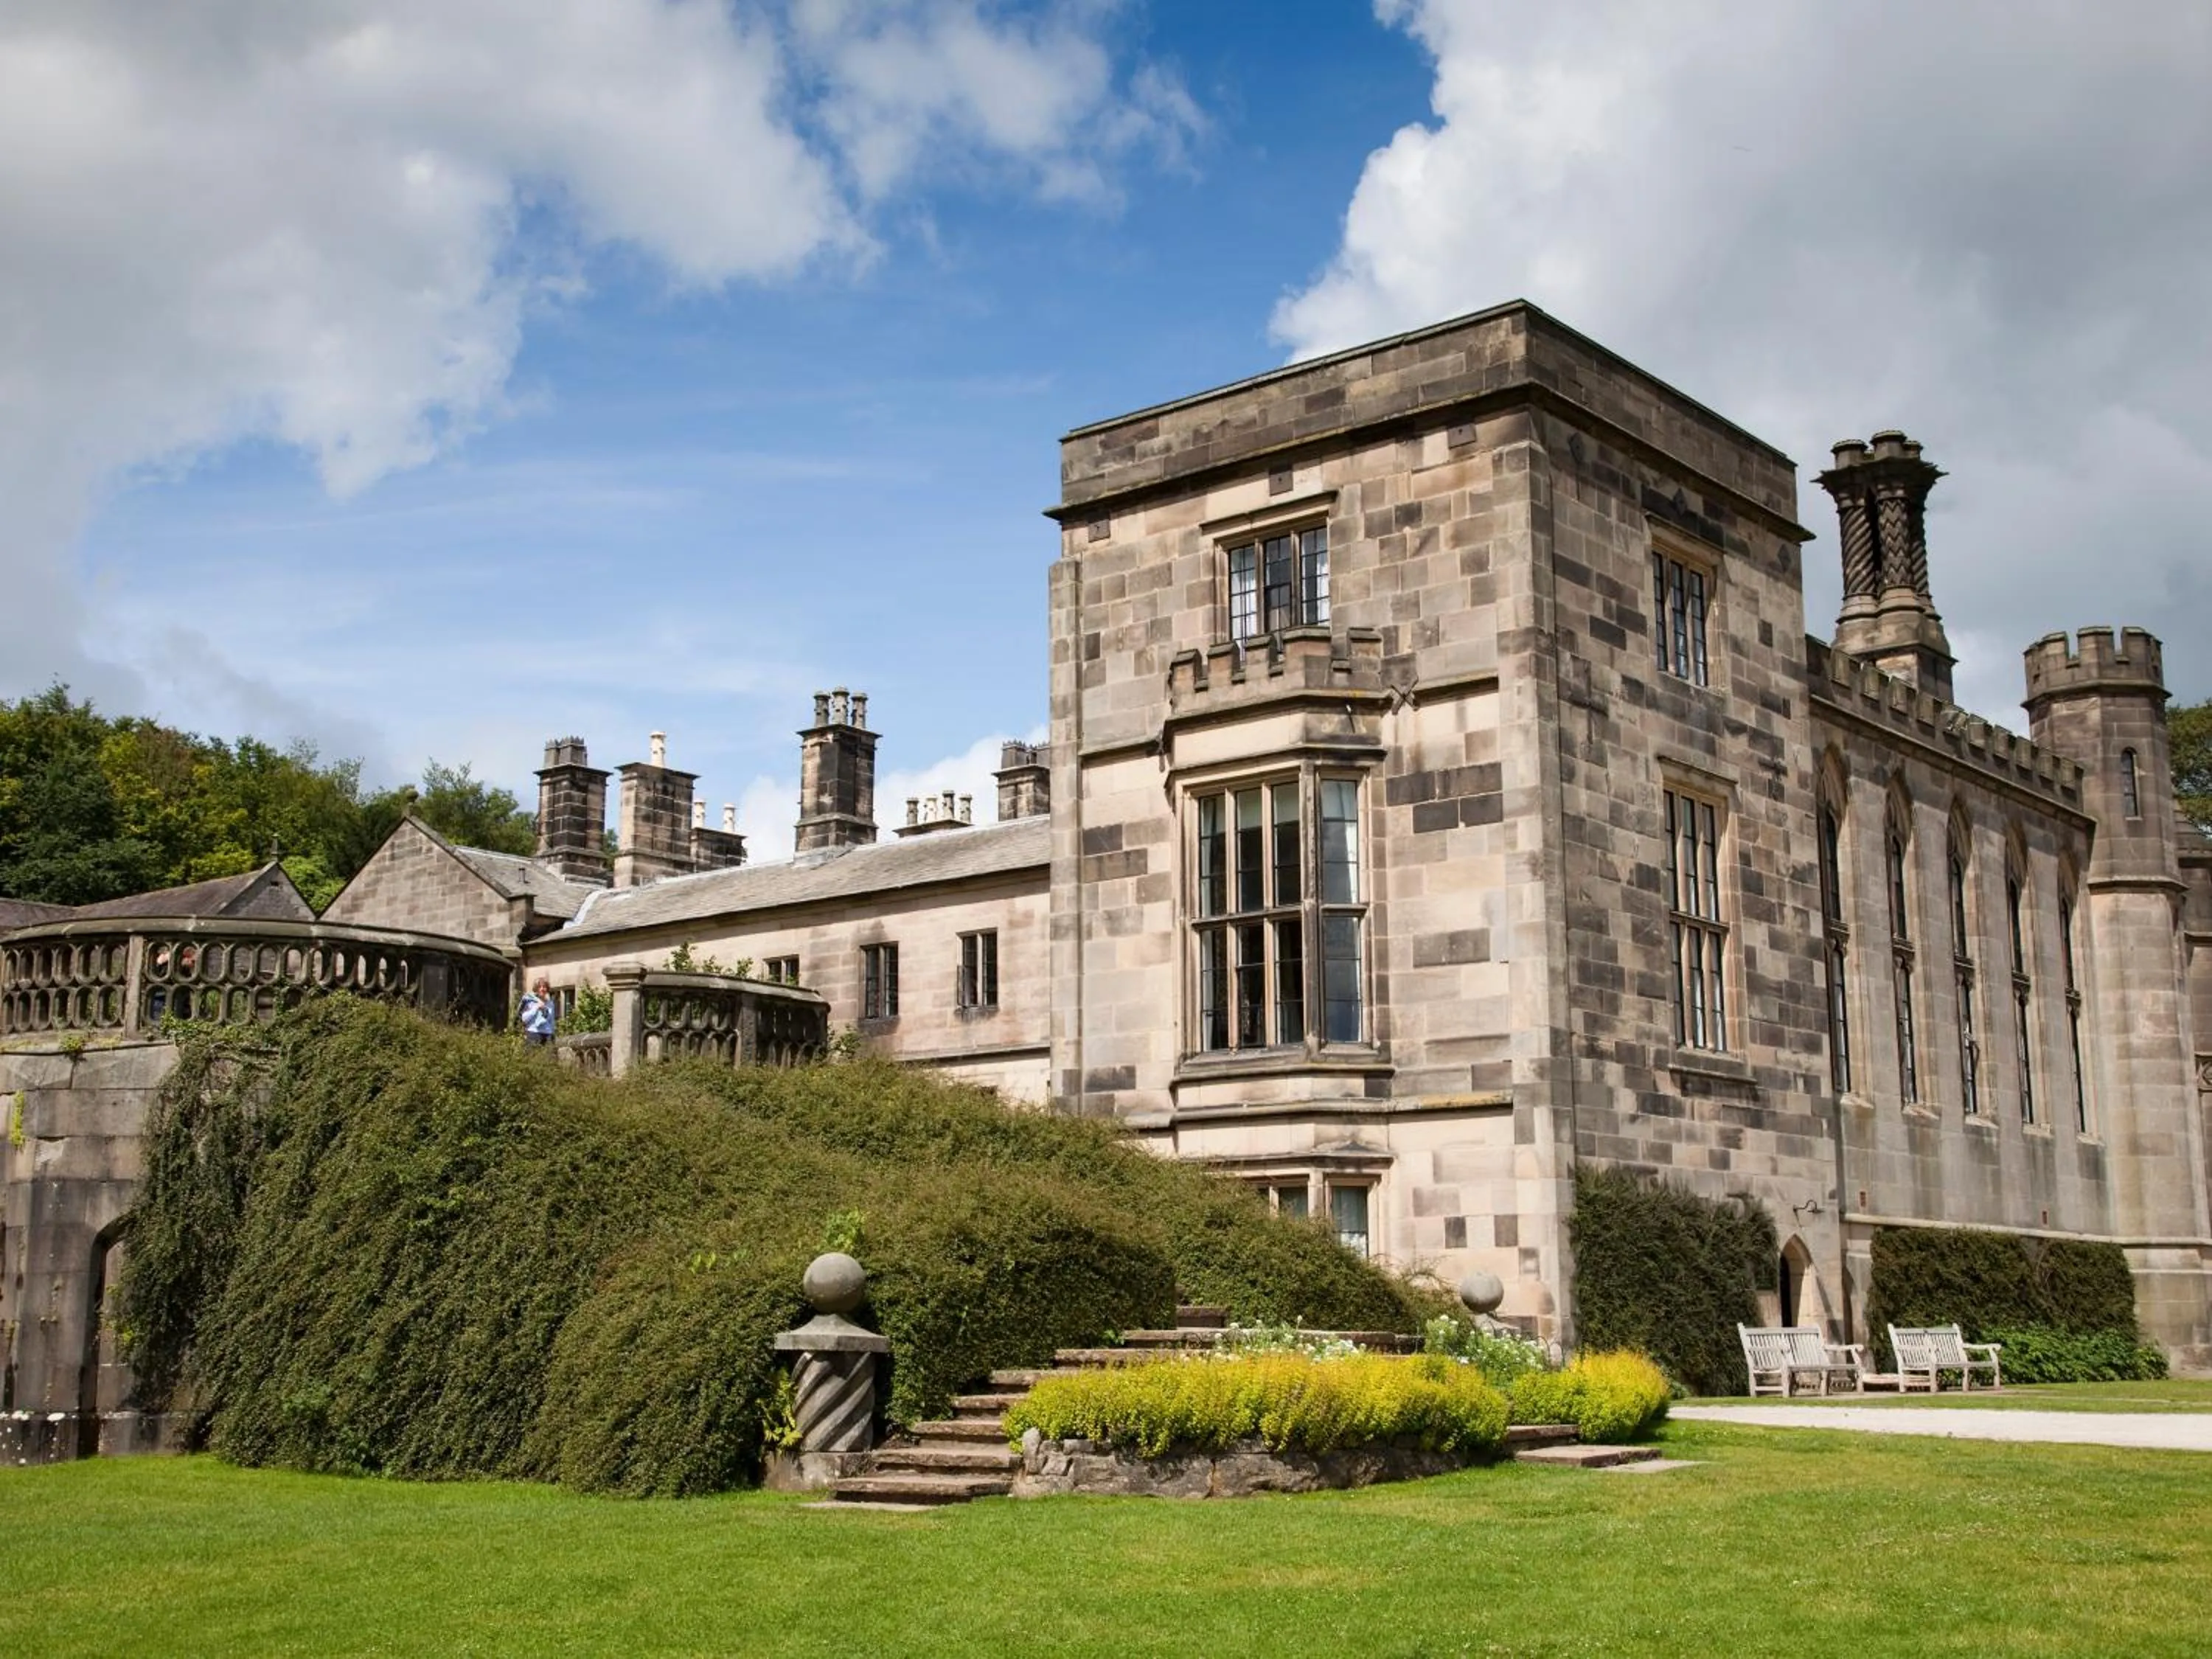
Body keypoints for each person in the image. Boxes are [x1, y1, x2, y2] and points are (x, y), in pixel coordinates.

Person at [519, 976, 557, 1046]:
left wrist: (553, 1034)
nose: (542, 989)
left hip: (547, 1034)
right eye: (539, 987)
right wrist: (536, 1008)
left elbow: (551, 1021)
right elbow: (524, 1019)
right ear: (536, 989)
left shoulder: (550, 1004)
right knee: (533, 1057)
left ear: (547, 989)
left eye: (544, 987)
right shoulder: (530, 1001)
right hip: (533, 1033)